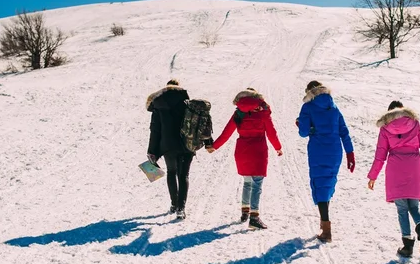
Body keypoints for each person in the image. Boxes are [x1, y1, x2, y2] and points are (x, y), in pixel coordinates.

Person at [367, 101, 420, 257]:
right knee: (414, 208)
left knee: (402, 210)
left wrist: (372, 176)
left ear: (389, 114)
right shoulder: (415, 125)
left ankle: (407, 246)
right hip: (414, 168)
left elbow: (380, 156)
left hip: (396, 170)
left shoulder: (385, 128)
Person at [207, 88, 282, 229]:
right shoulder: (263, 113)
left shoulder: (238, 113)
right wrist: (278, 147)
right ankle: (254, 218)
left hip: (242, 151)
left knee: (247, 182)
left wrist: (214, 146)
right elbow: (271, 133)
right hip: (258, 151)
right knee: (257, 184)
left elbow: (226, 133)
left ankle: (244, 212)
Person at [297, 81, 355, 243]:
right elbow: (344, 131)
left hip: (318, 150)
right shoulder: (334, 107)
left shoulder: (308, 107)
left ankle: (326, 229)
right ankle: (325, 223)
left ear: (310, 92)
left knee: (319, 183)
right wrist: (350, 153)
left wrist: (302, 125)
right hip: (336, 151)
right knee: (328, 183)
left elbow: (303, 132)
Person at [146, 79, 211, 219]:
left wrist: (152, 151)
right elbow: (200, 124)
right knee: (184, 175)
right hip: (187, 145)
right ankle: (181, 209)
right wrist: (208, 142)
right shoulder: (188, 104)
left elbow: (155, 131)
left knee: (171, 172)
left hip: (168, 146)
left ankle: (174, 204)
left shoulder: (158, 106)